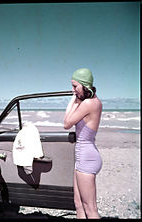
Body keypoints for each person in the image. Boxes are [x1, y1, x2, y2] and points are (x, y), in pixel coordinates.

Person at [64, 68, 102, 219]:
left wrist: (73, 99)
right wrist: (77, 96)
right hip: (83, 157)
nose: (73, 90)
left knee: (90, 208)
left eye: (75, 86)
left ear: (85, 86)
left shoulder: (90, 104)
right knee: (79, 205)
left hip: (86, 158)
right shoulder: (91, 101)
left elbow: (66, 122)